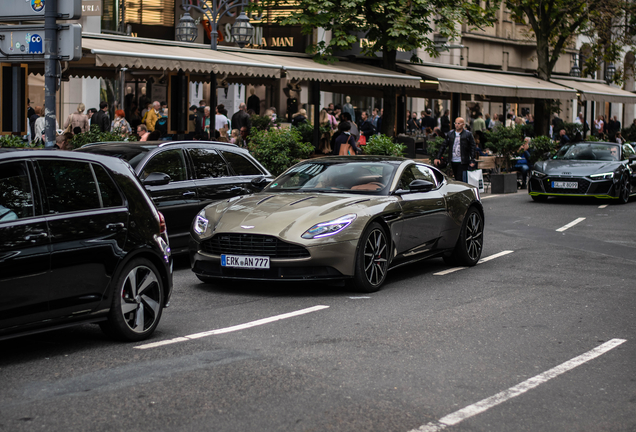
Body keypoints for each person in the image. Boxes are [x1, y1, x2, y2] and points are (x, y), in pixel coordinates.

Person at [434, 117, 476, 182]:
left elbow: (472, 147)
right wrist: (438, 157)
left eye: (459, 123)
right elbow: (444, 145)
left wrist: (472, 160)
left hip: (463, 160)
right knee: (456, 177)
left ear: (463, 124)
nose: (457, 125)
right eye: (455, 123)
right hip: (453, 160)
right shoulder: (450, 134)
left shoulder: (468, 134)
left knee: (460, 178)